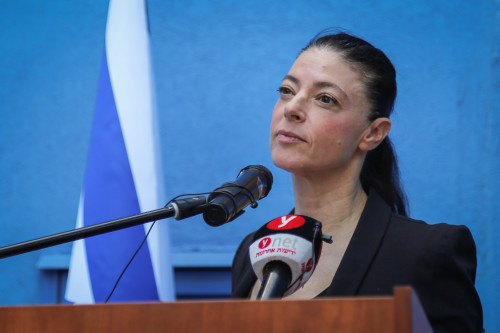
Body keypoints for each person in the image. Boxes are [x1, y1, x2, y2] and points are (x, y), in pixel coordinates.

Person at [231, 31, 484, 333]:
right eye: (287, 90)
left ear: (372, 133)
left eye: (325, 99)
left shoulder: (428, 252)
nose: (292, 108)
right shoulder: (254, 251)